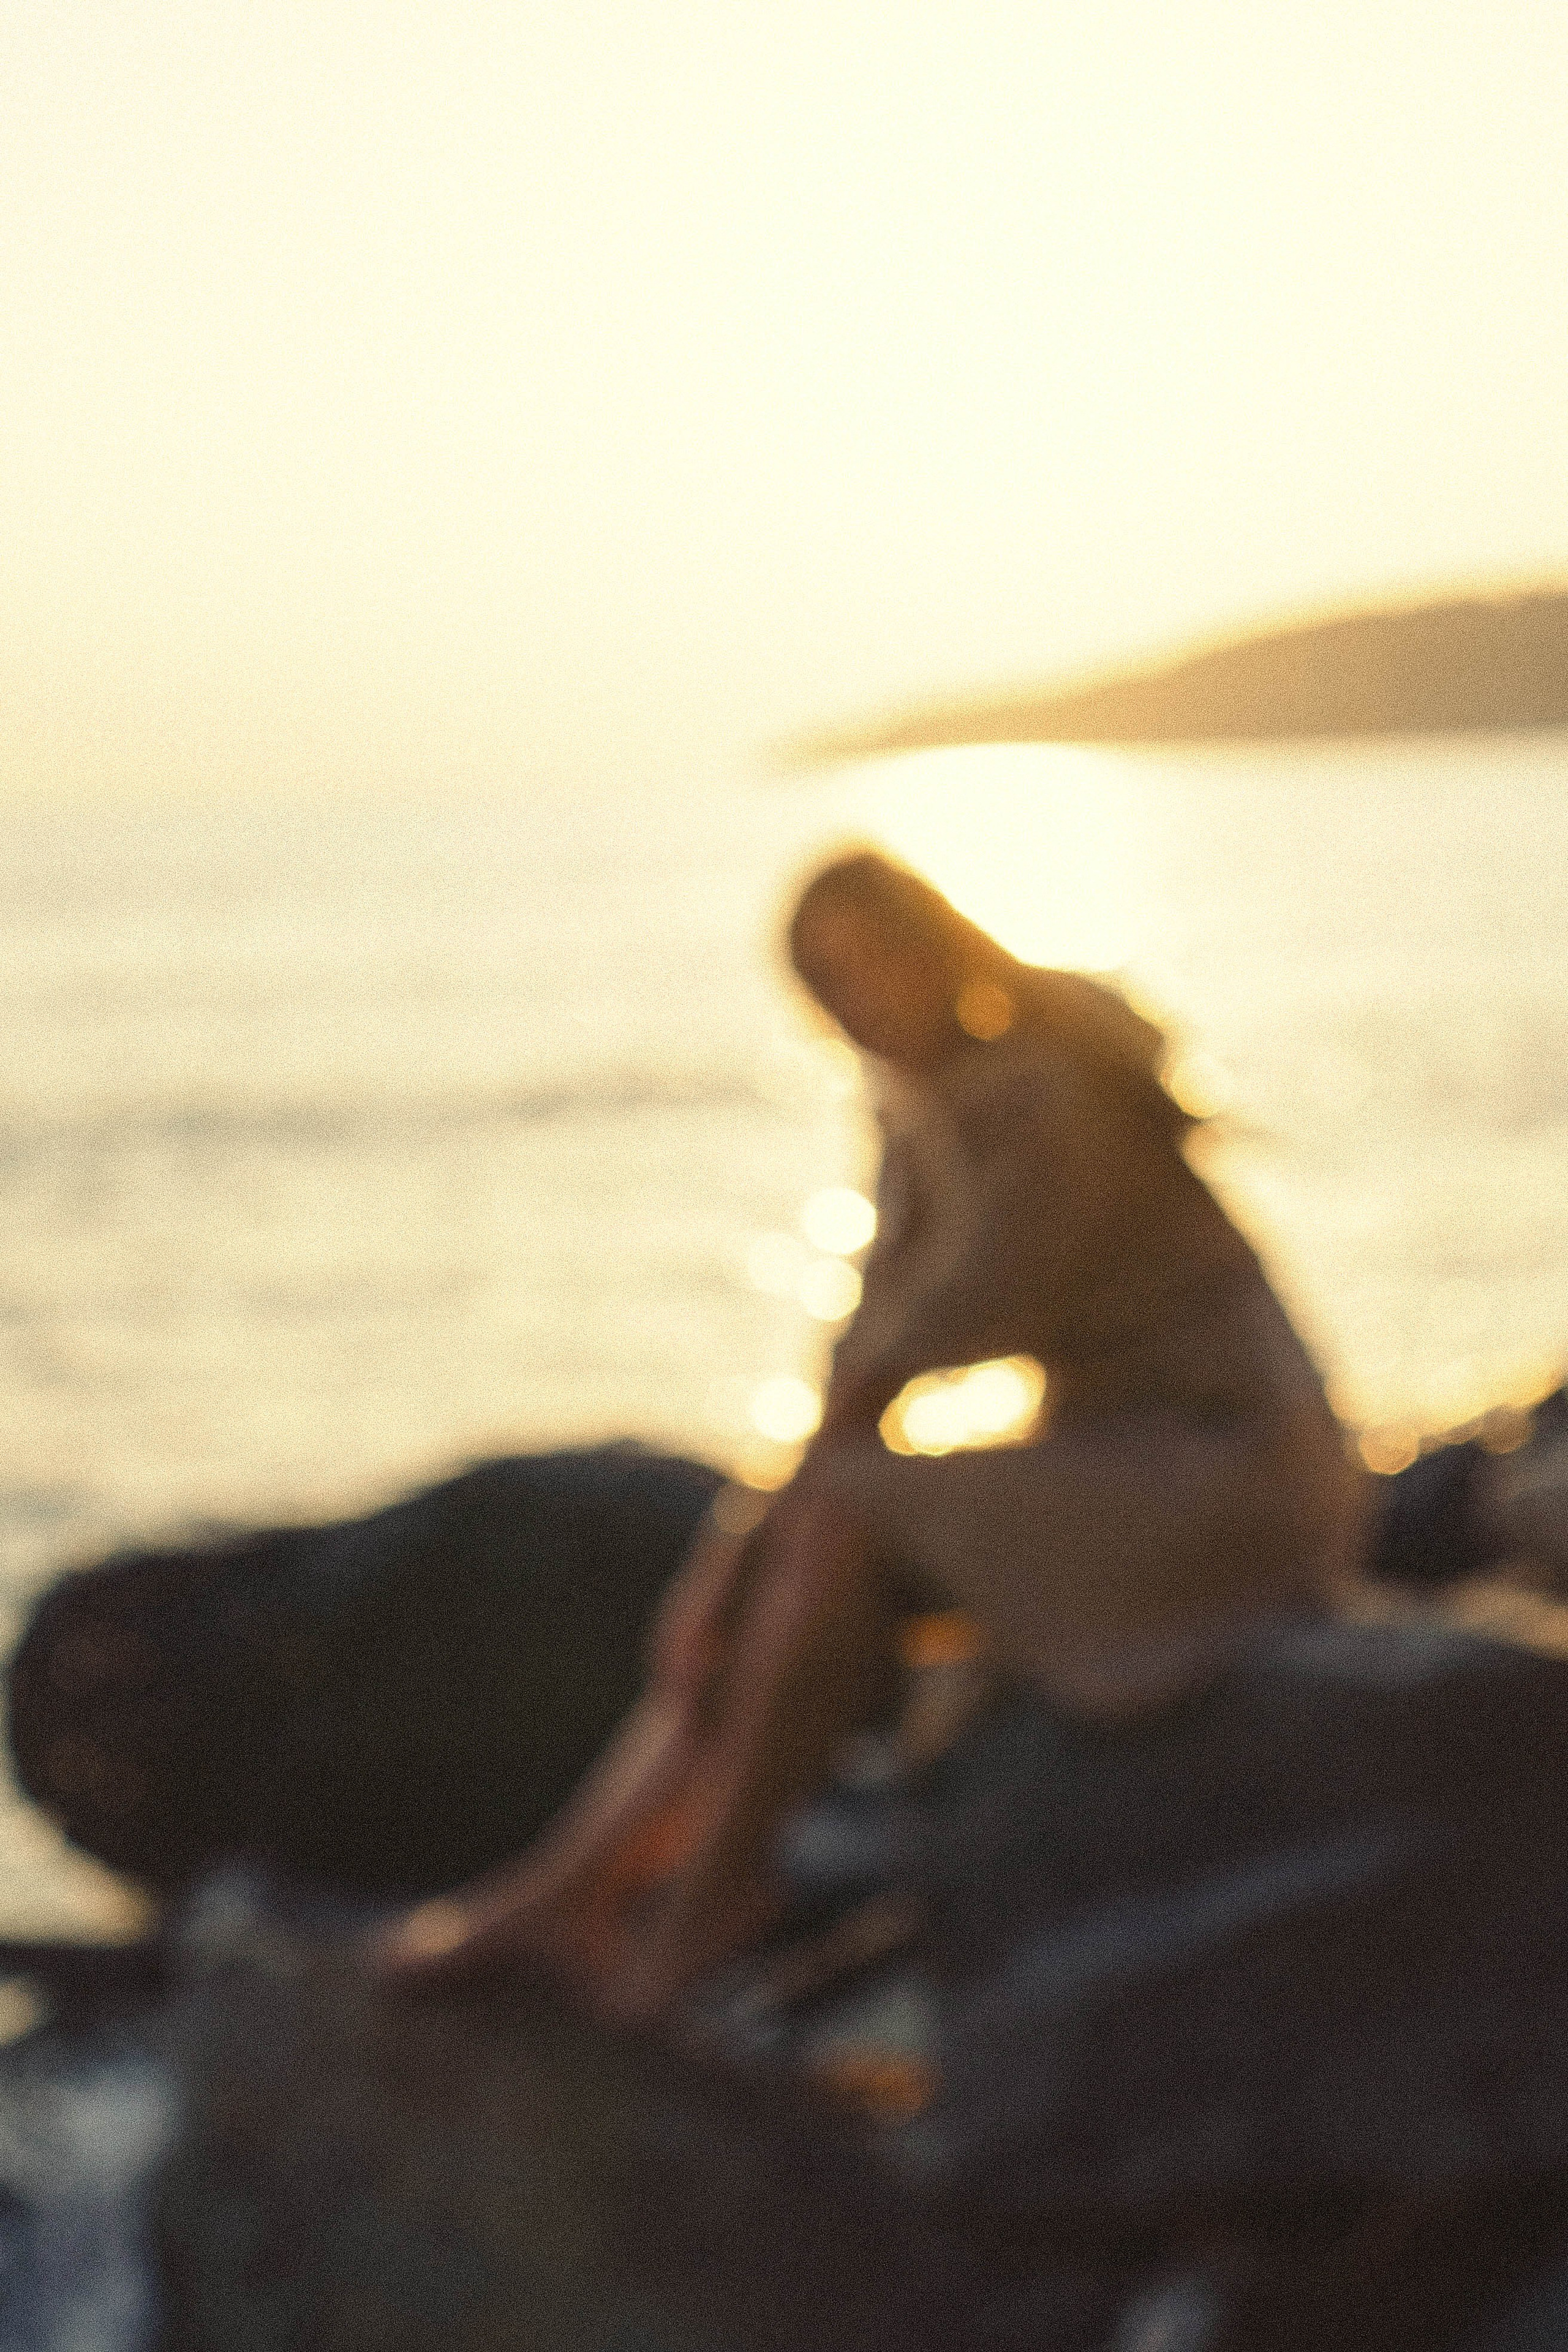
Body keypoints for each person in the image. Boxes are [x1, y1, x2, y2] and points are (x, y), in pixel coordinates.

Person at [377, 852, 1364, 2020]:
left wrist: (739, 1548)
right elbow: (862, 1350)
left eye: (870, 961)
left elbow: (949, 1322)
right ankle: (596, 1887)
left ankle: (689, 1895)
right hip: (1125, 1464)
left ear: (935, 943)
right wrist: (732, 1556)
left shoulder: (1052, 1083)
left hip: (1228, 1468)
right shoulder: (922, 1108)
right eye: (825, 982)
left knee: (834, 1519)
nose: (856, 1001)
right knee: (802, 1544)